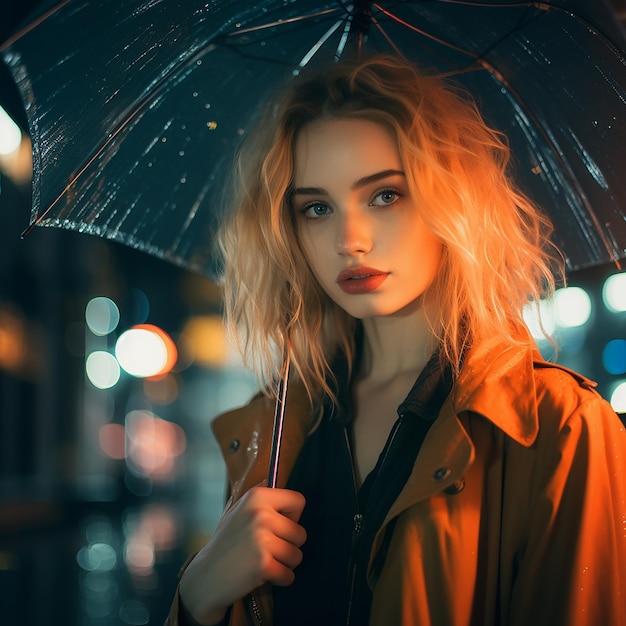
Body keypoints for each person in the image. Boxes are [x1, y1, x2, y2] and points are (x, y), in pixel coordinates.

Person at [165, 54, 626, 626]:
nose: (349, 239)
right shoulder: (272, 423)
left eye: (384, 195)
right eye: (316, 208)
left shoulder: (560, 428)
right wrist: (199, 598)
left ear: (449, 201)